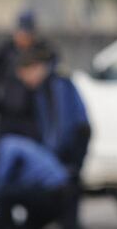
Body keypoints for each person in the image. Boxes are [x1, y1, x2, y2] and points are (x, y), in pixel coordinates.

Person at [16, 40, 92, 181]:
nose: (27, 83)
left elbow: (61, 124)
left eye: (26, 76)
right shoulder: (48, 85)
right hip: (69, 144)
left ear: (36, 68)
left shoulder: (55, 85)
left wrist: (51, 155)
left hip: (72, 144)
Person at [0, 9, 40, 139]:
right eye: (21, 33)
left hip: (31, 118)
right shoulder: (5, 51)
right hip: (7, 116)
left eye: (27, 34)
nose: (24, 38)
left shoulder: (40, 52)